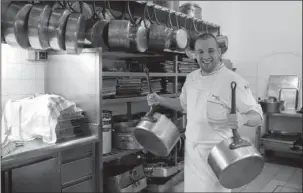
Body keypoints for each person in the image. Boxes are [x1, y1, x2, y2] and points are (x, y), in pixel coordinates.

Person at [147, 33, 263, 192]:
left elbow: (258, 116)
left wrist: (243, 118)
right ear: (195, 54)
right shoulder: (191, 78)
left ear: (219, 52)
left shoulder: (233, 81)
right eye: (200, 52)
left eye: (210, 51)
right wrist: (160, 100)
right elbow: (183, 105)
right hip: (192, 154)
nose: (205, 56)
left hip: (218, 155)